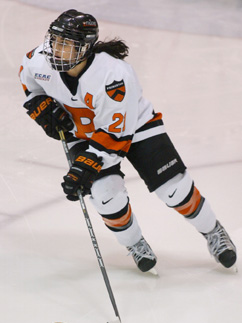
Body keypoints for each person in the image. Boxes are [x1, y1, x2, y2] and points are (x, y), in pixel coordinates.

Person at [19, 9, 237, 272]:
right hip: (86, 133)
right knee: (105, 195)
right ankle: (135, 244)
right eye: (55, 40)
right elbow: (29, 82)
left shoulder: (113, 76)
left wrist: (86, 165)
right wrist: (39, 105)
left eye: (66, 44)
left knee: (174, 188)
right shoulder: (38, 59)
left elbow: (116, 135)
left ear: (85, 48)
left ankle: (213, 231)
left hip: (135, 126)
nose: (56, 48)